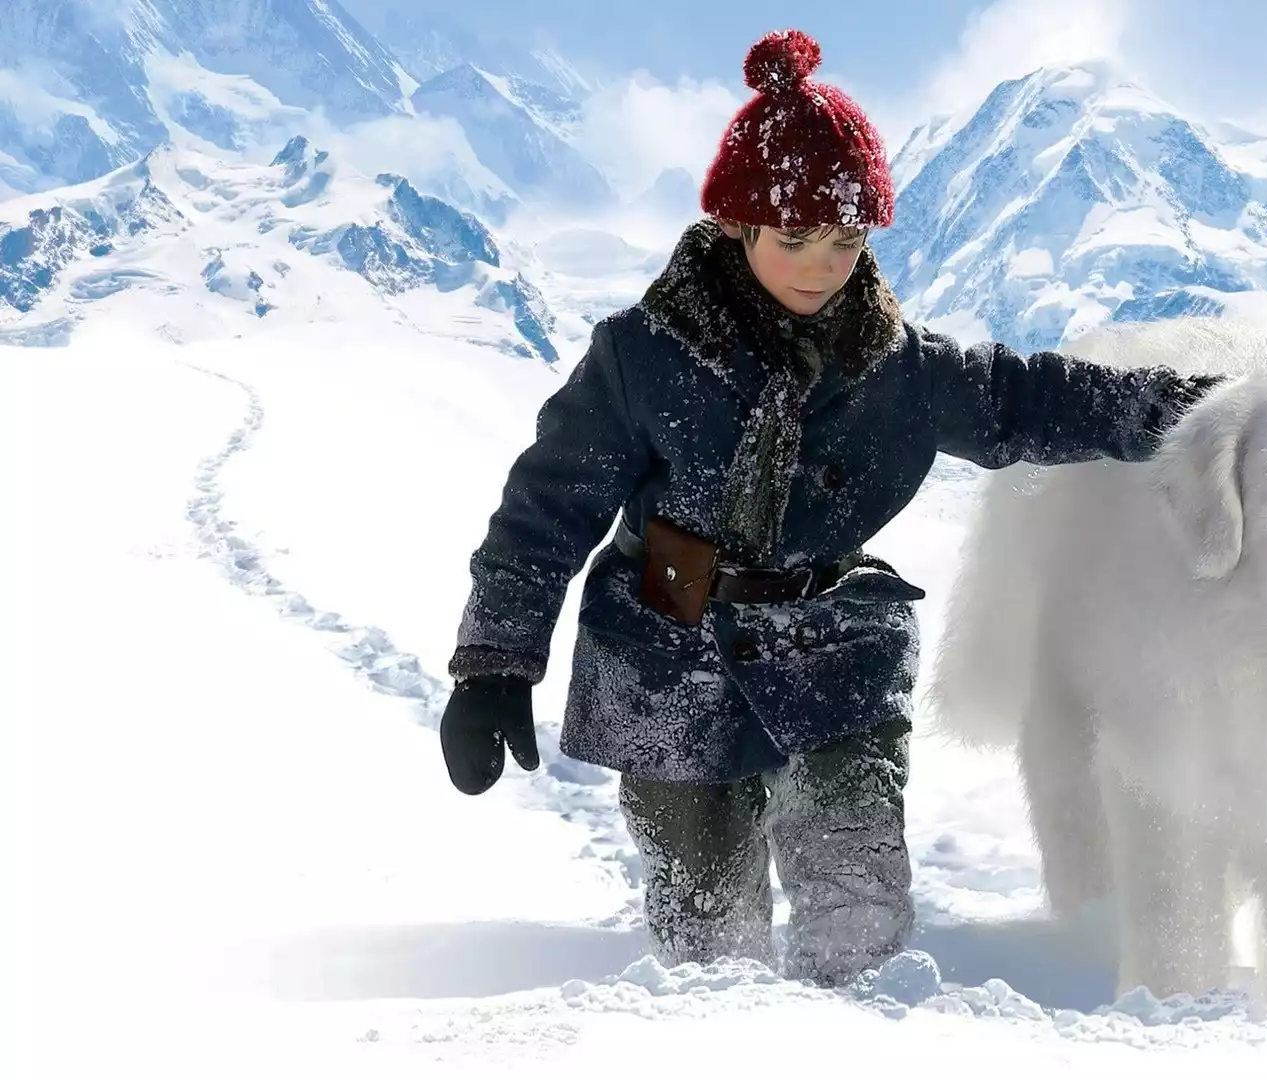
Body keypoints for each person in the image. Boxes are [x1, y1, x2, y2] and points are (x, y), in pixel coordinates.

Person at [436, 27, 1225, 988]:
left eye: (847, 240)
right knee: (707, 948)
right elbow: (542, 514)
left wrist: (1196, 414)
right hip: (672, 657)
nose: (820, 266)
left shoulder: (901, 367)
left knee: (861, 930)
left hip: (834, 658)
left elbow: (1028, 398)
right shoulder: (642, 355)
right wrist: (493, 662)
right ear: (738, 230)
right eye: (795, 240)